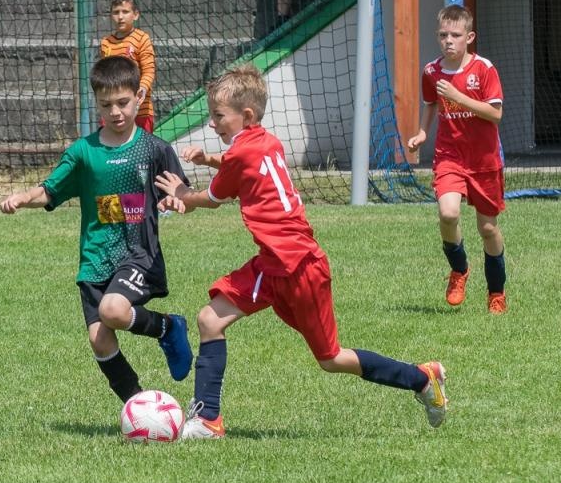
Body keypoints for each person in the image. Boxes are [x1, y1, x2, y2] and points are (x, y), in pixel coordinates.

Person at [157, 65, 447, 439]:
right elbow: (244, 168)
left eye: (218, 117)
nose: (213, 125)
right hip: (271, 264)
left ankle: (421, 378)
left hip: (299, 268)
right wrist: (211, 161)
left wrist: (182, 195)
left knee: (331, 359)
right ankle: (208, 420)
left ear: (246, 116)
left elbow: (211, 199)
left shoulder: (240, 155)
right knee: (210, 320)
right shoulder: (267, 142)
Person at [0, 55, 194, 402]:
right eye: (107, 105)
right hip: (94, 260)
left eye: (123, 102)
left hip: (137, 255)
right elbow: (48, 191)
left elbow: (178, 191)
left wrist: (175, 200)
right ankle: (139, 407)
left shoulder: (155, 150)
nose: (116, 112)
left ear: (139, 97)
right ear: (97, 104)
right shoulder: (83, 153)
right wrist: (21, 197)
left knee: (113, 311)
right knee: (100, 339)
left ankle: (168, 327)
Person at [403, 5, 508, 314]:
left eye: (456, 35)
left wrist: (459, 97)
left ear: (469, 37)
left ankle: (496, 293)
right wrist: (423, 132)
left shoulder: (484, 69)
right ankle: (459, 270)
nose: (448, 40)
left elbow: (496, 114)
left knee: (488, 229)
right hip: (449, 156)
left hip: (484, 160)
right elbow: (431, 103)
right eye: (443, 35)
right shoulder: (431, 71)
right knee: (448, 214)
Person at [97, 0, 158, 133]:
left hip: (140, 111)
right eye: (116, 12)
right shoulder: (106, 43)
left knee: (141, 152)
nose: (120, 17)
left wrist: (141, 89)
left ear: (135, 15)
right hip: (113, 112)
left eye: (125, 11)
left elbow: (149, 70)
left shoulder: (142, 38)